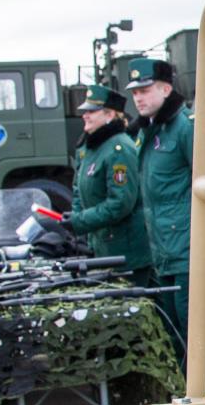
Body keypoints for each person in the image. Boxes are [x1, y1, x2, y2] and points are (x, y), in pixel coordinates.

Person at [127, 56, 205, 392]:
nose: (138, 98)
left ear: (166, 88)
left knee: (196, 328)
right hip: (164, 250)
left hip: (189, 248)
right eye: (135, 92)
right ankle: (184, 388)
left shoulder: (188, 126)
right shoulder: (151, 130)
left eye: (145, 90)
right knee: (172, 328)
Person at [61, 85, 152, 281]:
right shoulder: (90, 146)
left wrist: (80, 221)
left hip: (126, 253)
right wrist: (76, 218)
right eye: (85, 111)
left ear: (110, 114)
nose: (85, 115)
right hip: (104, 247)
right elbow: (78, 188)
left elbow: (120, 203)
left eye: (92, 111)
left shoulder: (119, 148)